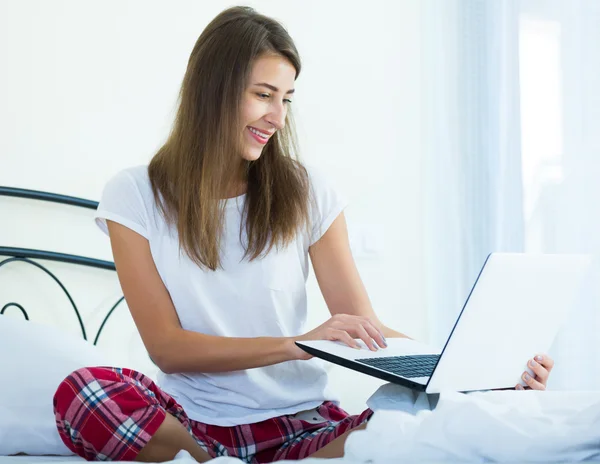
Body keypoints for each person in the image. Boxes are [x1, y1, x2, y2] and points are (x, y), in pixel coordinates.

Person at [53, 6, 555, 463]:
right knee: (84, 392)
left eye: (286, 98)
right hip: (190, 424)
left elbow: (363, 328)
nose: (278, 117)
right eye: (263, 95)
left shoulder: (306, 189)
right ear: (213, 89)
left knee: (409, 418)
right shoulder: (135, 195)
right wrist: (299, 343)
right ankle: (213, 460)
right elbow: (167, 348)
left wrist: (478, 376)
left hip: (302, 428)